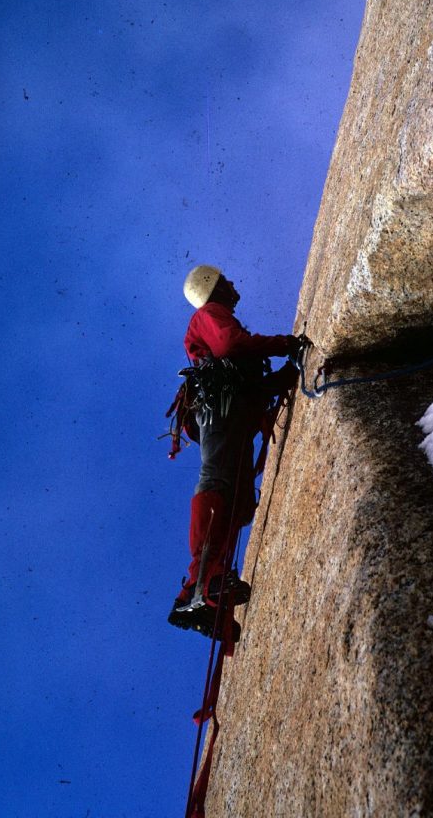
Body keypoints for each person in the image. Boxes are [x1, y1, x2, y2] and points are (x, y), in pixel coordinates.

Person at [167, 264, 301, 640]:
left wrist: (282, 377)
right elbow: (230, 346)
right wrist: (281, 344)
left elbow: (248, 382)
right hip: (221, 411)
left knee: (236, 501)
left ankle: (208, 594)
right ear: (213, 287)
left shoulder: (217, 317)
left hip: (232, 412)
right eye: (225, 281)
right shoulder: (209, 314)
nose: (232, 284)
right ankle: (202, 581)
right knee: (219, 482)